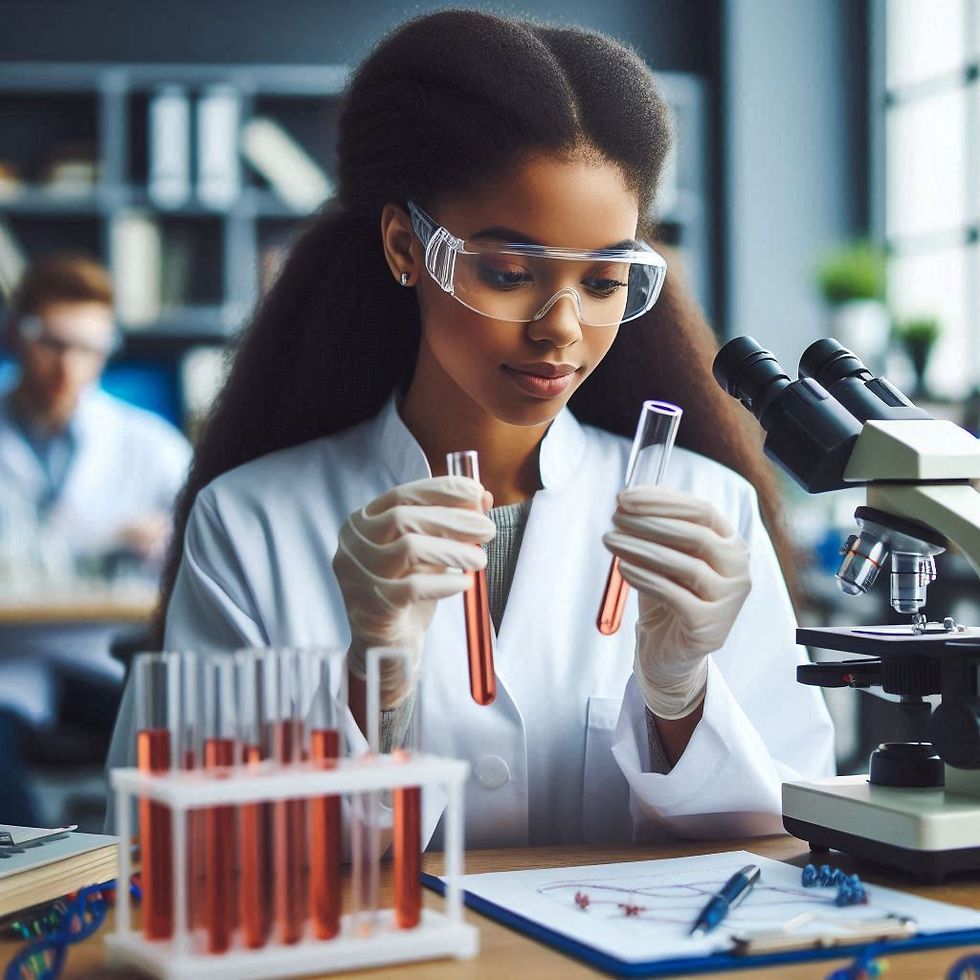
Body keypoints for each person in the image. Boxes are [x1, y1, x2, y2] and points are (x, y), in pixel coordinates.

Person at [107, 9, 833, 846]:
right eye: (510, 272)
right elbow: (168, 850)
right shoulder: (251, 522)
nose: (561, 328)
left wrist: (682, 699)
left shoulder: (709, 508)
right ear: (405, 246)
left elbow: (796, 830)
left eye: (603, 282)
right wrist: (366, 689)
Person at [0, 254, 191, 824]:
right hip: (10, 658)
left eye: (88, 349)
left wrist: (162, 541)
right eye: (52, 344)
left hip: (105, 654)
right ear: (16, 334)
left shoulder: (151, 446)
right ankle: (32, 893)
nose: (69, 367)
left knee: (178, 754)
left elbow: (203, 554)